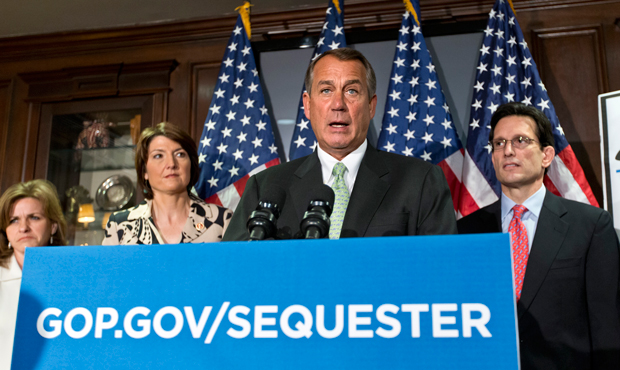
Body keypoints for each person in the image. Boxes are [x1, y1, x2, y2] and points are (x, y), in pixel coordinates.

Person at [224, 48, 456, 240]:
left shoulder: (420, 181)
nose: (338, 104)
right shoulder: (265, 187)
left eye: (351, 91)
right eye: (326, 90)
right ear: (307, 105)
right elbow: (231, 270)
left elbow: (441, 272)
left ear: (371, 106)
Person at [457, 102, 620, 369]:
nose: (508, 150)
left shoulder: (590, 226)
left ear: (546, 155)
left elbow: (607, 328)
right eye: (499, 143)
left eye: (520, 140)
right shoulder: (466, 231)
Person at [103, 122, 232, 245]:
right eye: (158, 156)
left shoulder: (222, 220)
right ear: (144, 172)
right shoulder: (119, 224)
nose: (171, 164)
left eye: (180, 154)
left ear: (191, 166)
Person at [0, 179, 67, 370]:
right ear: (6, 230)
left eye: (34, 218)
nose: (23, 228)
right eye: (14, 220)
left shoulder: (70, 278)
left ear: (53, 226)